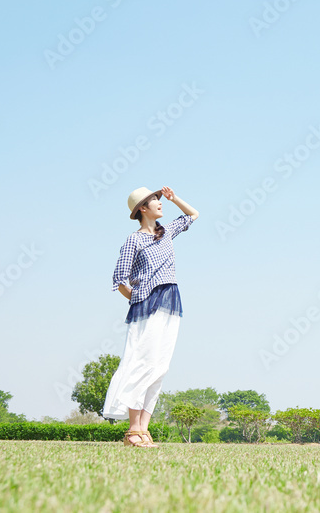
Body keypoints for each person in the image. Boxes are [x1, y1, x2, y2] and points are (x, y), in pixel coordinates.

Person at [102, 185, 199, 447]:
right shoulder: (134, 239)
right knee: (141, 362)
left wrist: (174, 197)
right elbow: (119, 279)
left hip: (171, 301)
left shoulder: (165, 232)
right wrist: (138, 298)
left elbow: (193, 215)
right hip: (148, 303)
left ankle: (143, 430)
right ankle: (133, 430)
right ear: (142, 209)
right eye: (154, 200)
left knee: (160, 366)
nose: (160, 203)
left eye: (159, 199)